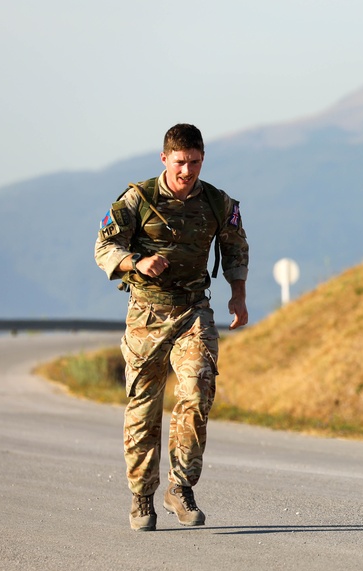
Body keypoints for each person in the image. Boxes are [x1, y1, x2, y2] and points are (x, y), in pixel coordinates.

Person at [94, 123, 249, 531]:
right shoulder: (138, 199)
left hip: (194, 311)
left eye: (195, 162)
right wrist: (136, 262)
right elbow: (105, 246)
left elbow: (235, 246)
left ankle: (180, 487)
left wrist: (238, 295)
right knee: (144, 407)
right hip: (147, 313)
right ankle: (142, 496)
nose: (187, 171)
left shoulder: (218, 202)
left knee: (197, 392)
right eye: (180, 162)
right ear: (165, 159)